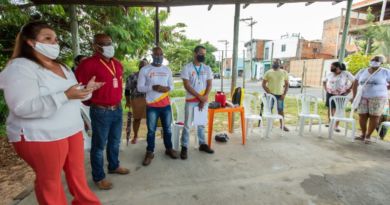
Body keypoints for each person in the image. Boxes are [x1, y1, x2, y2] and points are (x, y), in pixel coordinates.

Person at [0, 21, 103, 205]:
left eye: (55, 39)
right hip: (43, 135)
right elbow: (21, 107)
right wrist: (65, 95)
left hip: (71, 130)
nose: (54, 43)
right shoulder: (20, 67)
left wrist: (86, 90)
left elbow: (70, 93)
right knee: (50, 182)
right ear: (30, 42)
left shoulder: (61, 66)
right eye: (47, 38)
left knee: (78, 175)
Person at [75, 33, 129, 190]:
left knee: (115, 141)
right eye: (104, 44)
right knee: (99, 146)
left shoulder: (117, 64)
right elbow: (78, 87)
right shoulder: (87, 64)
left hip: (117, 109)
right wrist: (89, 99)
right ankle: (98, 177)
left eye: (110, 43)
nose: (108, 46)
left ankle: (114, 165)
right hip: (101, 111)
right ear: (95, 46)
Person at [137, 47, 178, 166]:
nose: (159, 56)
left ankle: (168, 149)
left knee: (168, 129)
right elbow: (140, 87)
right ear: (152, 55)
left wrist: (167, 88)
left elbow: (172, 86)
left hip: (165, 105)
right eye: (156, 54)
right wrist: (153, 87)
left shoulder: (167, 70)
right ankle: (150, 152)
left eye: (161, 54)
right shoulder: (145, 70)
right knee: (151, 131)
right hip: (152, 106)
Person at [180, 45, 214, 160]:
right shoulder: (187, 68)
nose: (203, 56)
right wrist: (200, 97)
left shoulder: (207, 68)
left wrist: (204, 99)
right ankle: (184, 147)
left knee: (201, 124)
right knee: (187, 125)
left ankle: (202, 144)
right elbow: (187, 86)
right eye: (201, 53)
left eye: (204, 54)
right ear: (195, 54)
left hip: (203, 101)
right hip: (191, 100)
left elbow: (209, 84)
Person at [352, 55, 390, 144]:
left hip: (378, 98)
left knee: (375, 116)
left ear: (382, 62)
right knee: (362, 115)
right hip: (363, 97)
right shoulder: (362, 71)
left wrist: (385, 88)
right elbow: (355, 83)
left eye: (377, 60)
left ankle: (368, 136)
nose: (374, 61)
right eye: (373, 59)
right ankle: (363, 134)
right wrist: (354, 96)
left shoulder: (385, 72)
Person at [323, 62, 354, 132]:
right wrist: (326, 89)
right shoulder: (330, 74)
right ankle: (330, 122)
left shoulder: (345, 73)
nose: (330, 68)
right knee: (330, 108)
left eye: (332, 66)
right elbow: (324, 81)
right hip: (330, 93)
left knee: (339, 109)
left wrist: (349, 89)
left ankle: (336, 125)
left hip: (341, 94)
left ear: (338, 67)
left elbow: (354, 81)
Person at [262, 58, 290, 131]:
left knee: (280, 110)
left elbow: (287, 84)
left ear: (280, 64)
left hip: (280, 96)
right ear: (272, 64)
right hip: (270, 96)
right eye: (274, 62)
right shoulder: (268, 72)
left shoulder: (284, 72)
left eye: (277, 62)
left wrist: (284, 95)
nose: (275, 64)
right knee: (269, 110)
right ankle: (268, 126)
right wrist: (268, 92)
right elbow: (263, 84)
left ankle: (282, 125)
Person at [125, 59, 148, 144]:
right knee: (137, 119)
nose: (142, 67)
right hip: (136, 99)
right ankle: (135, 136)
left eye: (145, 65)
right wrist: (127, 101)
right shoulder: (132, 76)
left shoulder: (150, 75)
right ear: (139, 66)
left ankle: (149, 136)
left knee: (150, 119)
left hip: (149, 99)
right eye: (141, 65)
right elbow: (127, 90)